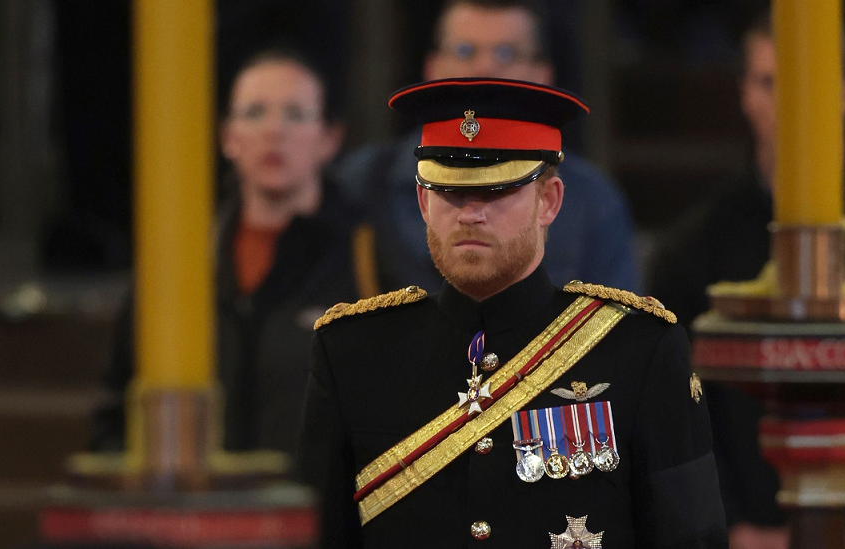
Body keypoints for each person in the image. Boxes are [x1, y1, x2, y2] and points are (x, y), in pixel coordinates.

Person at [297, 78, 727, 548]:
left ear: (550, 201)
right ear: (423, 202)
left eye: (497, 192)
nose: (470, 215)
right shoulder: (351, 353)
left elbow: (692, 539)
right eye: (451, 192)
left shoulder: (640, 351)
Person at [648, 13, 845, 549]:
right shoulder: (691, 252)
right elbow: (676, 412)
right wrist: (733, 528)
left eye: (812, 84)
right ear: (744, 95)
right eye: (770, 82)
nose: (792, 104)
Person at [91, 48, 373, 460]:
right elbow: (115, 408)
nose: (274, 130)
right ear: (228, 137)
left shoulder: (366, 257)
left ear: (329, 139)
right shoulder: (180, 259)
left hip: (322, 518)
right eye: (254, 113)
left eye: (295, 114)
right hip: (197, 516)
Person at [334, 0, 639, 293]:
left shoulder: (592, 198)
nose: (485, 65)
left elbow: (615, 332)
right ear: (432, 66)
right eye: (465, 50)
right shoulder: (362, 179)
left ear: (543, 74)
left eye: (507, 53)